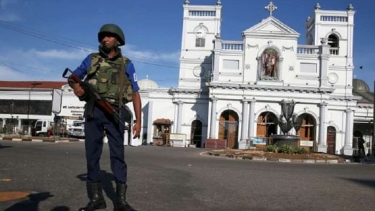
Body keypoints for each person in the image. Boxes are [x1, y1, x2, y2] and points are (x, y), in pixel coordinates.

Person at [68, 23, 141, 211]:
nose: (105, 39)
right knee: (92, 154)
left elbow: (135, 93)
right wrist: (76, 87)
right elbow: (73, 76)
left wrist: (139, 121)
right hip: (94, 110)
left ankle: (121, 202)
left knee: (118, 155)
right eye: (103, 37)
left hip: (115, 111)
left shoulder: (127, 63)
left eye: (109, 36)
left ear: (118, 40)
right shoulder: (91, 59)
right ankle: (96, 199)